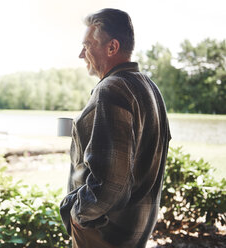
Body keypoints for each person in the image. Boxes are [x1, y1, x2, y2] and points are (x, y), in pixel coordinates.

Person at [60, 8, 171, 248]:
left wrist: (78, 213)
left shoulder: (110, 90)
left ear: (112, 47)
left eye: (87, 45)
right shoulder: (150, 88)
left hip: (104, 234)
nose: (81, 54)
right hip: (135, 233)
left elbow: (110, 181)